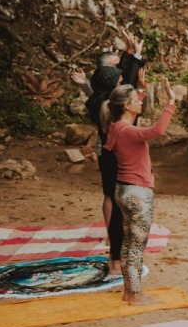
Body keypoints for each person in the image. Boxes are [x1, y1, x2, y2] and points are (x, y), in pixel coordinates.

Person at [72, 33, 146, 277]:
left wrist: (132, 54)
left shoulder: (96, 102)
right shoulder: (115, 106)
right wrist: (134, 55)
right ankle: (116, 260)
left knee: (112, 199)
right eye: (118, 76)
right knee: (122, 206)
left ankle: (115, 250)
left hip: (106, 153)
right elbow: (130, 83)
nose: (123, 78)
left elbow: (121, 81)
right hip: (120, 157)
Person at [101, 77, 176, 305]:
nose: (140, 103)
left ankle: (129, 291)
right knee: (136, 246)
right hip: (138, 193)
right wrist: (171, 102)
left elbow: (133, 111)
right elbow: (158, 130)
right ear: (126, 105)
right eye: (136, 101)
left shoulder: (115, 127)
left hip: (123, 190)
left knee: (127, 244)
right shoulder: (126, 131)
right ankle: (135, 295)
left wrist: (140, 90)